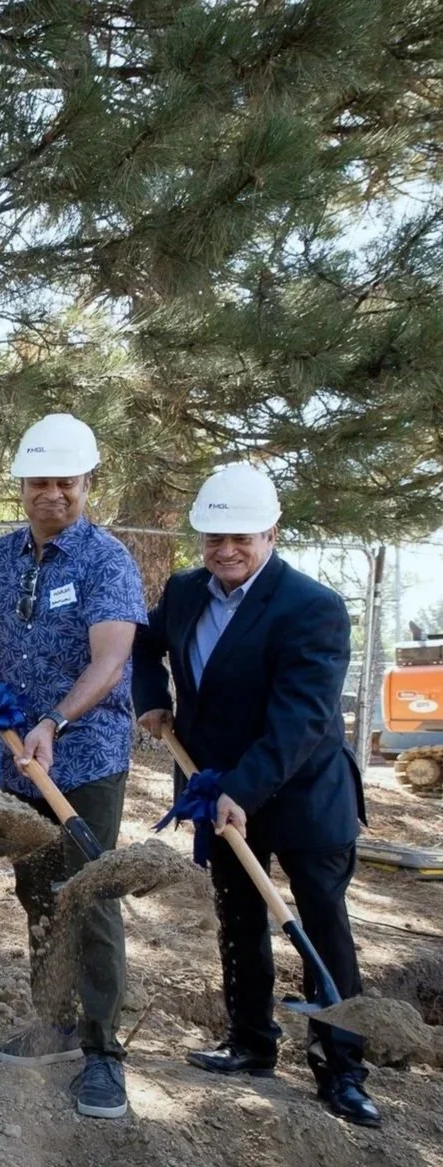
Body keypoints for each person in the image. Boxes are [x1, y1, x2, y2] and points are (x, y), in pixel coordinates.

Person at [133, 466, 378, 1127]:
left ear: (272, 532)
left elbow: (300, 719)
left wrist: (241, 787)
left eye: (239, 537)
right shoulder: (185, 592)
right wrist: (152, 699)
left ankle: (342, 1069)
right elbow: (143, 643)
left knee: (320, 927)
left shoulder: (312, 607)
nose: (225, 551)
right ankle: (249, 1042)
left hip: (302, 795)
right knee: (238, 918)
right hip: (217, 790)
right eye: (213, 538)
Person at [0, 413, 147, 1120]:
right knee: (35, 889)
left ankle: (103, 1054)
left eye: (66, 480)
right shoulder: (0, 557)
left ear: (87, 482)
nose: (51, 491)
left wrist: (55, 720)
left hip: (82, 758)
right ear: (22, 485)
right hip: (16, 764)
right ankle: (52, 1021)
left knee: (88, 892)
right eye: (39, 480)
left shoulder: (106, 559)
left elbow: (111, 658)